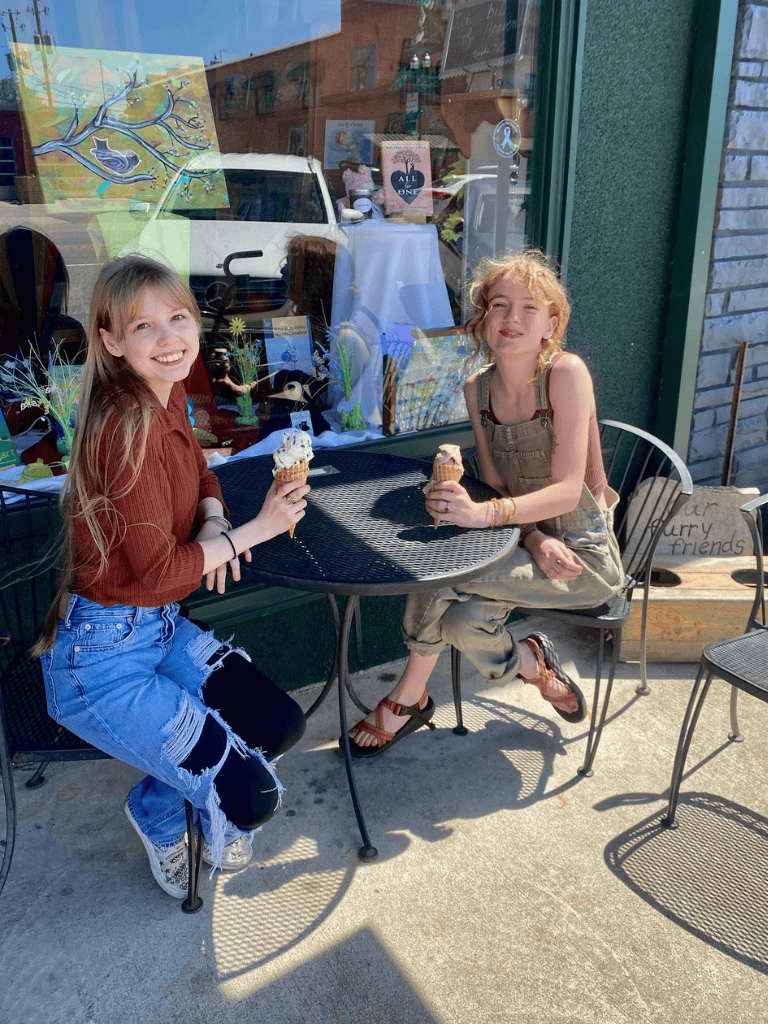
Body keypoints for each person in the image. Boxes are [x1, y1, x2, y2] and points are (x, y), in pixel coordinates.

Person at [36, 255, 309, 897]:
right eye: (143, 328)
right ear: (109, 342)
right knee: (253, 797)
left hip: (155, 631)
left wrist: (214, 521)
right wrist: (257, 529)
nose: (169, 339)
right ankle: (168, 819)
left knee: (279, 725)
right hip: (99, 661)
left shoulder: (168, 390)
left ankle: (157, 805)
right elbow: (159, 574)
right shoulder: (124, 426)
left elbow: (201, 472)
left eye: (178, 317)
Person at [347, 249, 624, 756]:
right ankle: (534, 667)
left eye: (529, 308)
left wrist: (487, 517)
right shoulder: (477, 390)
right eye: (499, 305)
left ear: (551, 323)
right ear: (483, 318)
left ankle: (409, 698)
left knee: (443, 574)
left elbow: (566, 490)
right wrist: (532, 536)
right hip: (523, 543)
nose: (511, 319)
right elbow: (496, 484)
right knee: (460, 621)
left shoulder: (566, 374)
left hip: (584, 557)